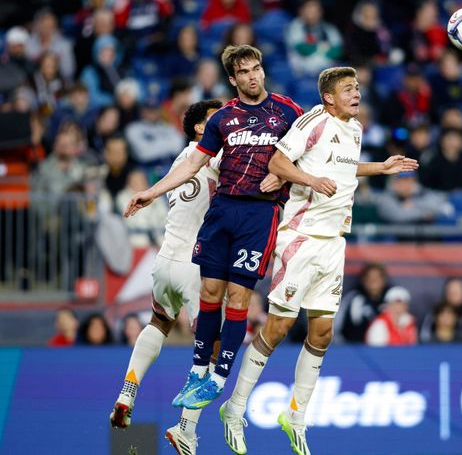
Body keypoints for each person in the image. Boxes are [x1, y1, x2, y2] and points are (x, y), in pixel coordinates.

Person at [215, 66, 417, 455]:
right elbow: (277, 164)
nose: (356, 94)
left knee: (322, 333)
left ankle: (296, 416)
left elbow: (338, 169)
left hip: (334, 242)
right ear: (328, 97)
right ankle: (234, 407)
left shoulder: (354, 130)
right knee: (278, 327)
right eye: (347, 89)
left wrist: (380, 168)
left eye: (358, 87)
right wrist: (309, 181)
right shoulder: (314, 120)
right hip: (301, 238)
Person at [123, 45, 303, 423]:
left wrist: (284, 174)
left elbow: (307, 151)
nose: (254, 76)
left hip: (258, 214)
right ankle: (198, 373)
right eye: (245, 72)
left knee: (237, 300)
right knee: (209, 294)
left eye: (257, 69)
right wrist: (151, 193)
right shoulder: (223, 119)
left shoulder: (288, 111)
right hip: (223, 212)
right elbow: (192, 162)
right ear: (233, 79)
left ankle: (219, 376)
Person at [110, 100, 224, 455]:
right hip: (195, 264)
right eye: (215, 119)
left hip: (164, 260)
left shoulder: (182, 159)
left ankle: (128, 390)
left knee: (158, 322)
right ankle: (185, 428)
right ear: (200, 130)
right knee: (216, 347)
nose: (226, 123)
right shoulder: (216, 156)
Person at [335, 262, 390, 343]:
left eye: (376, 278)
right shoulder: (352, 299)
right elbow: (336, 327)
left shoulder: (391, 300)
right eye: (369, 278)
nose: (372, 282)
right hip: (353, 348)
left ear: (383, 280)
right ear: (363, 280)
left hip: (386, 350)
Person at [419, 277, 462, 343]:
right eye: (452, 292)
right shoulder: (432, 315)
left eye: (458, 291)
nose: (455, 295)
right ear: (446, 293)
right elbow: (424, 339)